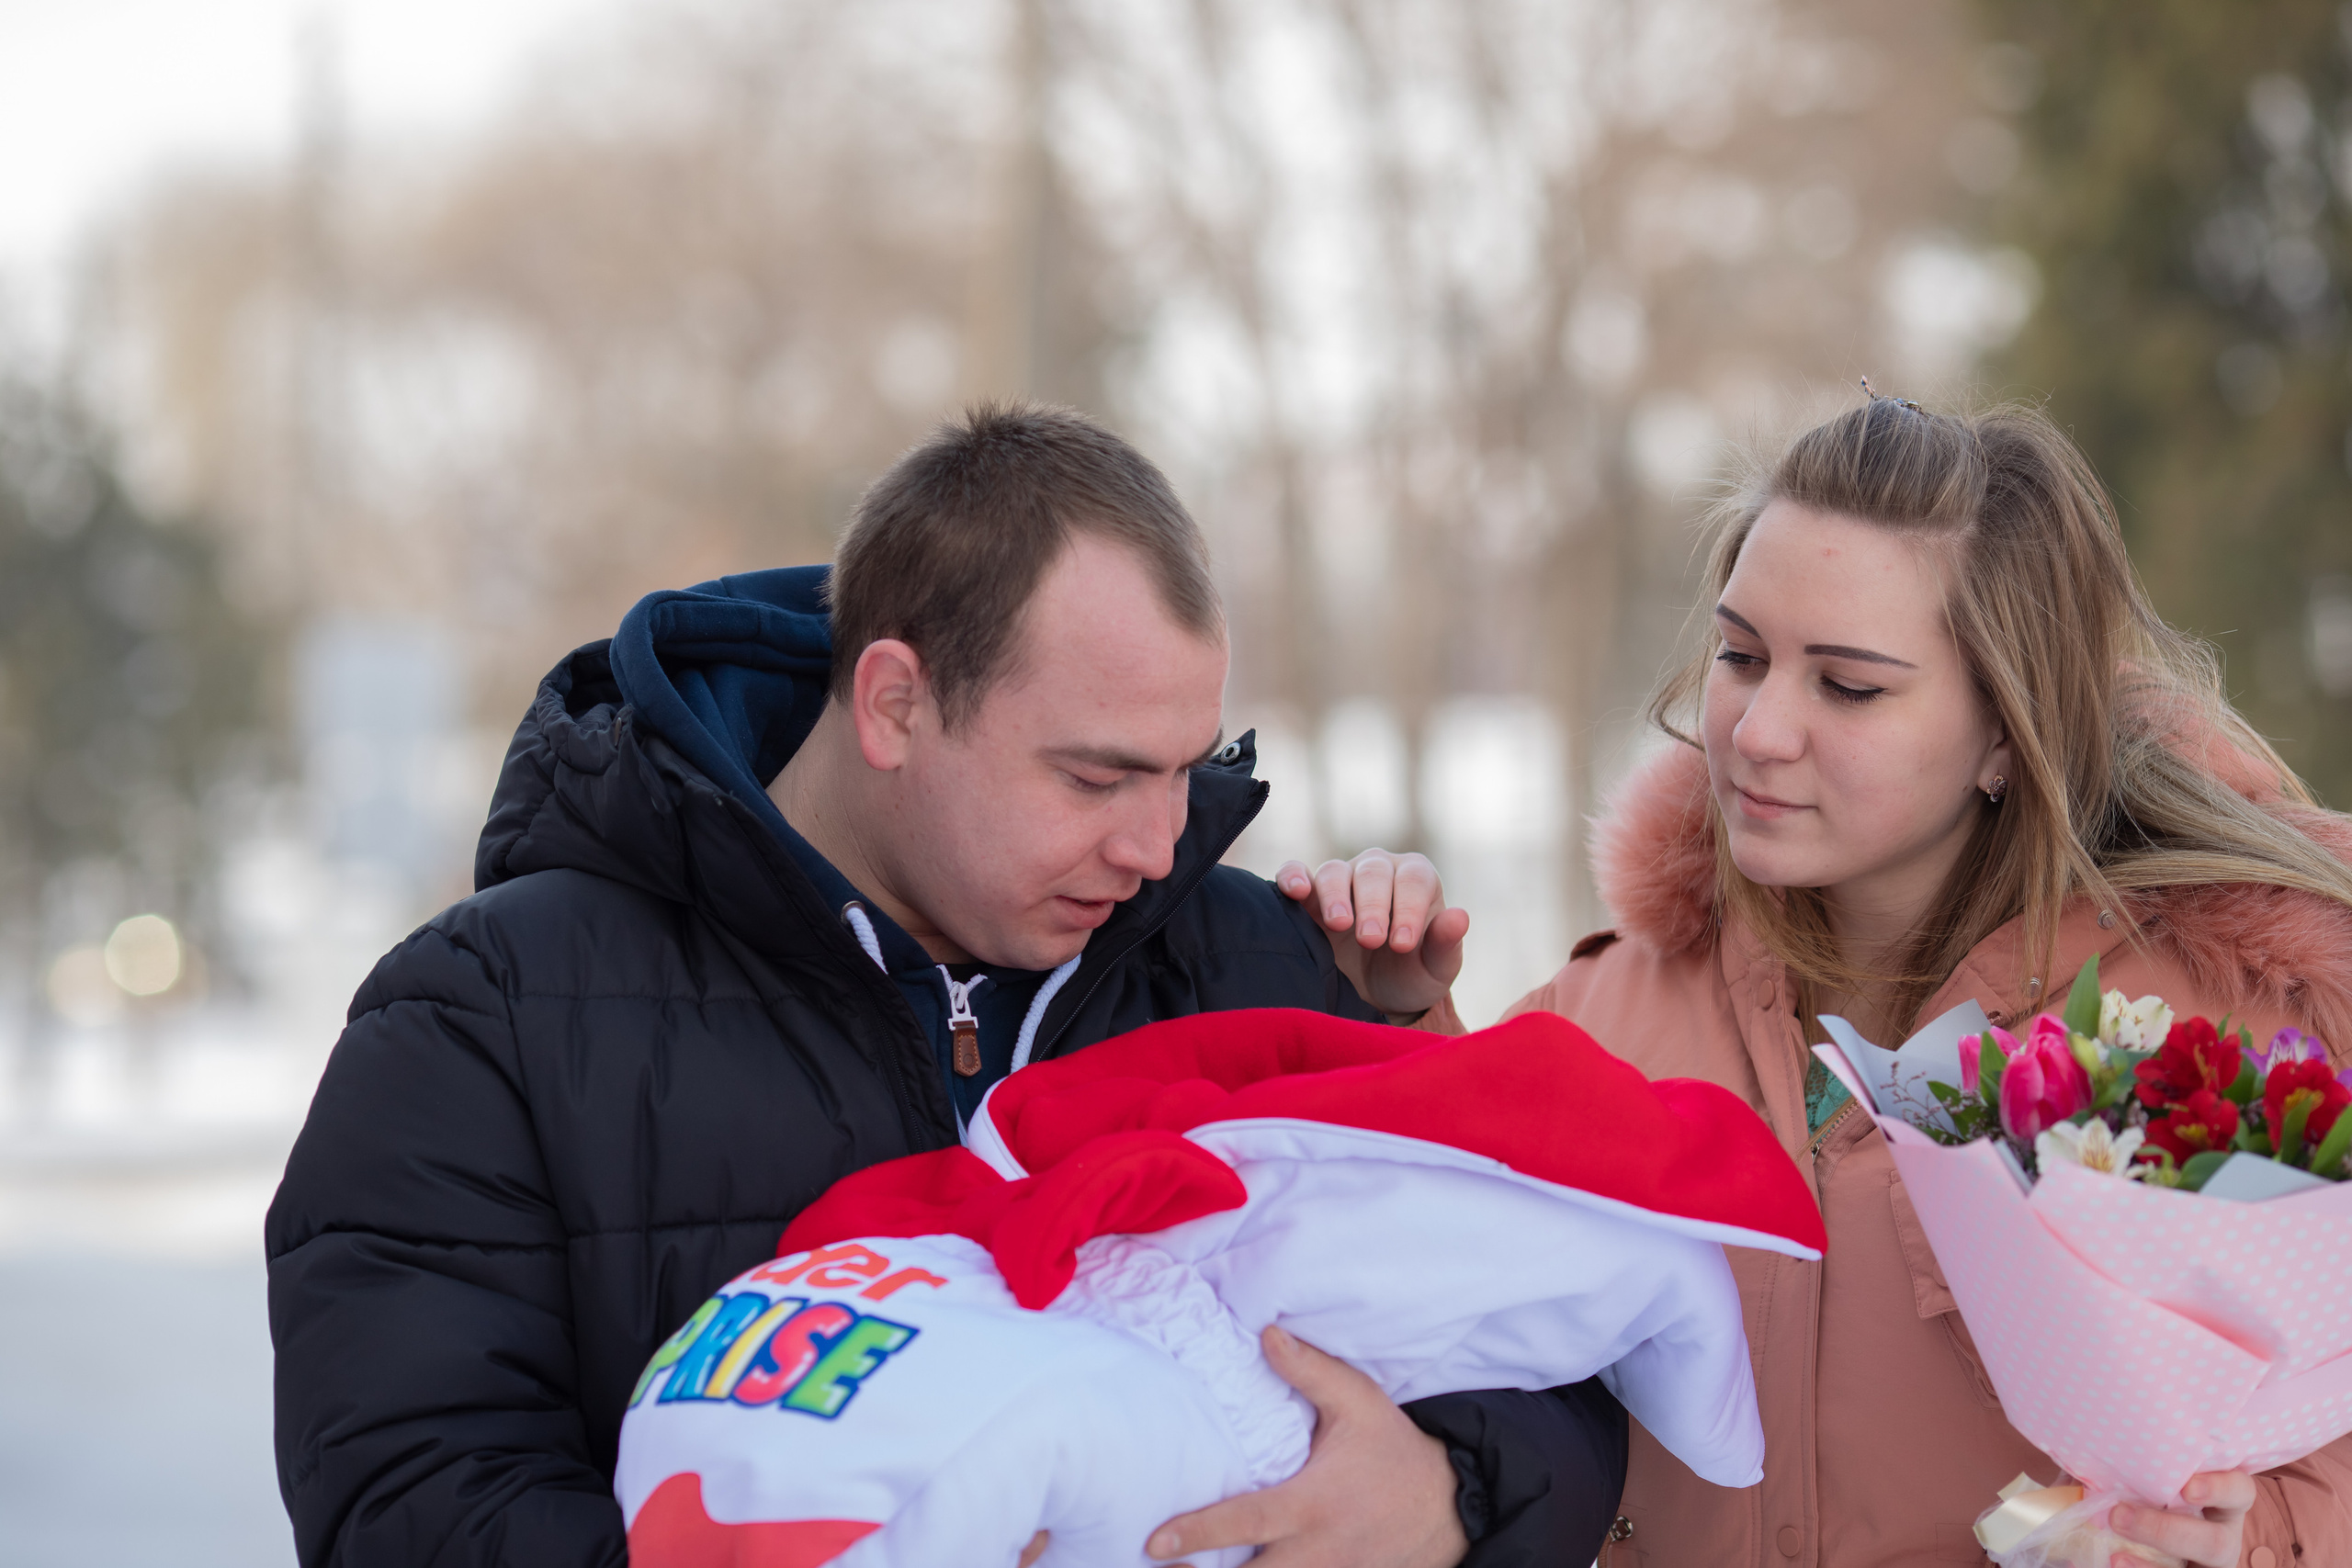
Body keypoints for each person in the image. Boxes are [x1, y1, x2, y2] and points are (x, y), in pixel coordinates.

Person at [266, 401, 1628, 1568]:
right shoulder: (481, 1017)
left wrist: (1449, 1495)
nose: (1158, 844)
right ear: (895, 703)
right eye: (1097, 775)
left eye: (1183, 767)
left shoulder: (1260, 964)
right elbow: (411, 1503)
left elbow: (1566, 1345)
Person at [1511, 395, 2352, 1568]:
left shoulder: (2217, 1039)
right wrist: (1393, 1012)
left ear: (2007, 732)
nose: (1757, 731)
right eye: (1742, 656)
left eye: (1847, 687)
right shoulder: (1604, 1011)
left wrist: (2246, 1542)